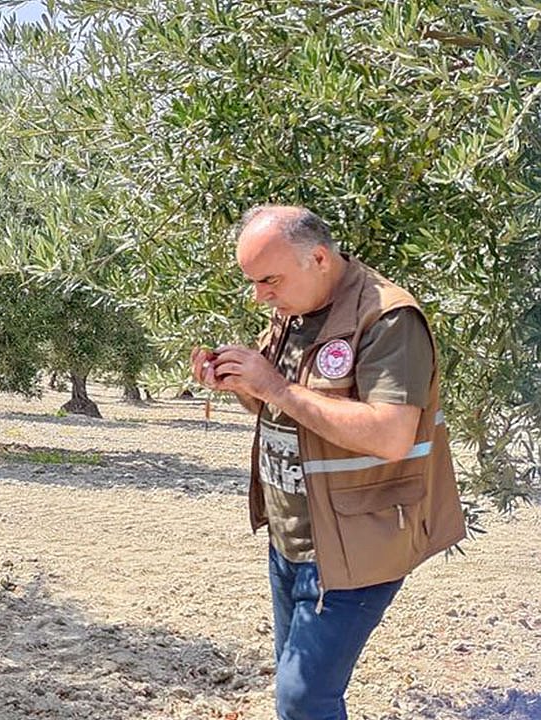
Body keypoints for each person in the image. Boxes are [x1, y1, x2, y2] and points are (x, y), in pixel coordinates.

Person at [191, 205, 465, 720]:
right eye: (252, 282)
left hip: (355, 545)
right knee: (297, 691)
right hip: (292, 537)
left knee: (302, 698)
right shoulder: (295, 308)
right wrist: (240, 384)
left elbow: (390, 435)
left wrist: (272, 383)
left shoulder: (387, 318)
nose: (260, 295)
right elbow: (288, 406)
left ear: (318, 257)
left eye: (268, 279)